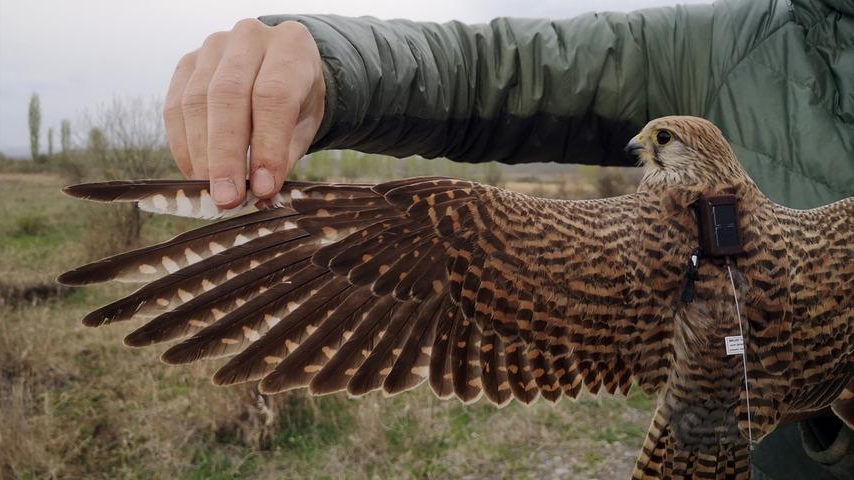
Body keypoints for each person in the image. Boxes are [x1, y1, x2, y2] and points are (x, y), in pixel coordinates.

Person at [161, 0, 854, 477]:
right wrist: (324, 61)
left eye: (660, 142)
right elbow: (503, 66)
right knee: (438, 222)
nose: (646, 146)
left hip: (766, 427)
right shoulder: (740, 43)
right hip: (774, 457)